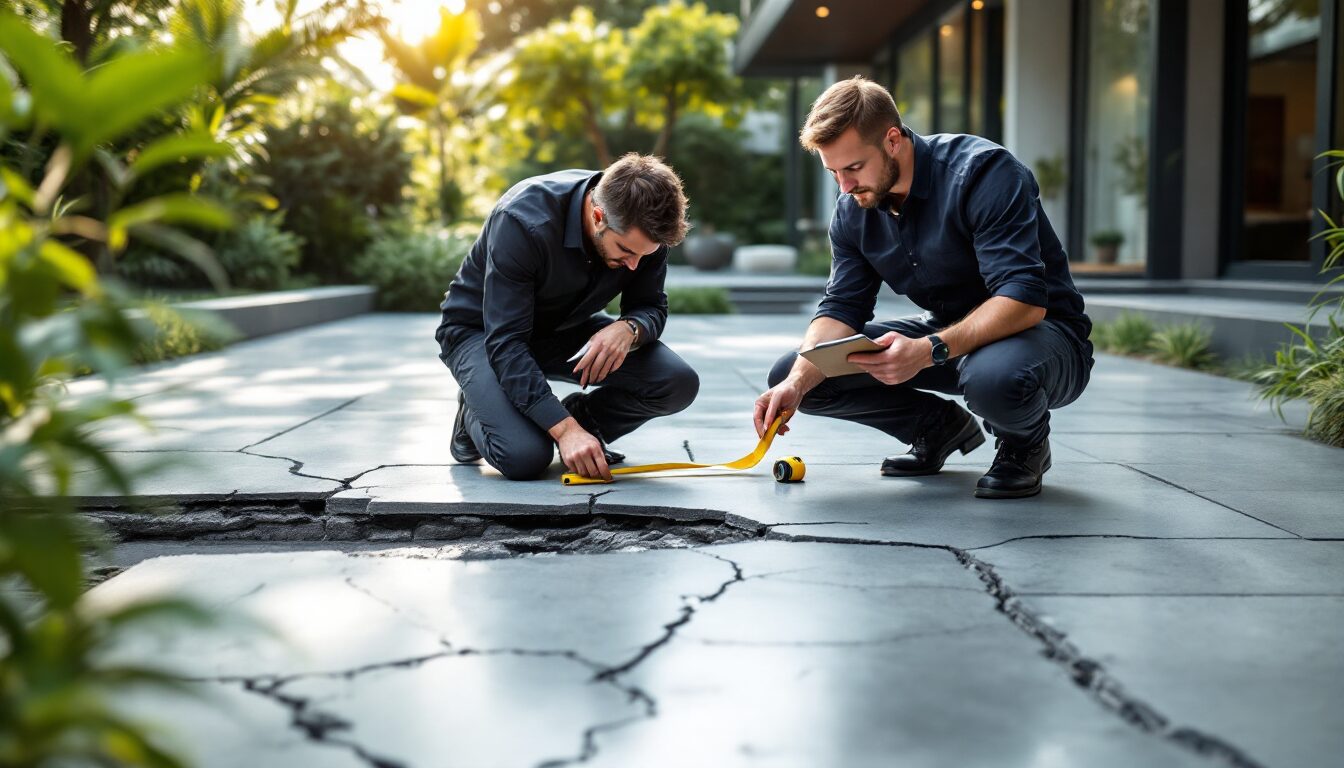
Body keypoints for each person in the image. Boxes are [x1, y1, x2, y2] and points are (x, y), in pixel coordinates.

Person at [755, 77, 1093, 499]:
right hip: (947, 337)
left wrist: (929, 349)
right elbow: (841, 308)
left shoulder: (984, 172)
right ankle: (936, 427)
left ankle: (1025, 445)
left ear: (893, 140)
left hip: (1042, 340)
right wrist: (798, 382)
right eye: (834, 172)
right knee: (801, 371)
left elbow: (1024, 299)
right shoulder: (853, 210)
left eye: (854, 168)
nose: (844, 186)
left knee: (991, 376)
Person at [436, 153, 699, 481]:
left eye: (643, 255)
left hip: (564, 327)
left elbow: (651, 305)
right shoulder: (521, 220)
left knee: (676, 384)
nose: (635, 265)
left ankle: (581, 418)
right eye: (626, 252)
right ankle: (473, 411)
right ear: (598, 216)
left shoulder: (646, 230)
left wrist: (630, 327)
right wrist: (563, 431)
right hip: (482, 333)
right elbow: (506, 343)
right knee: (525, 457)